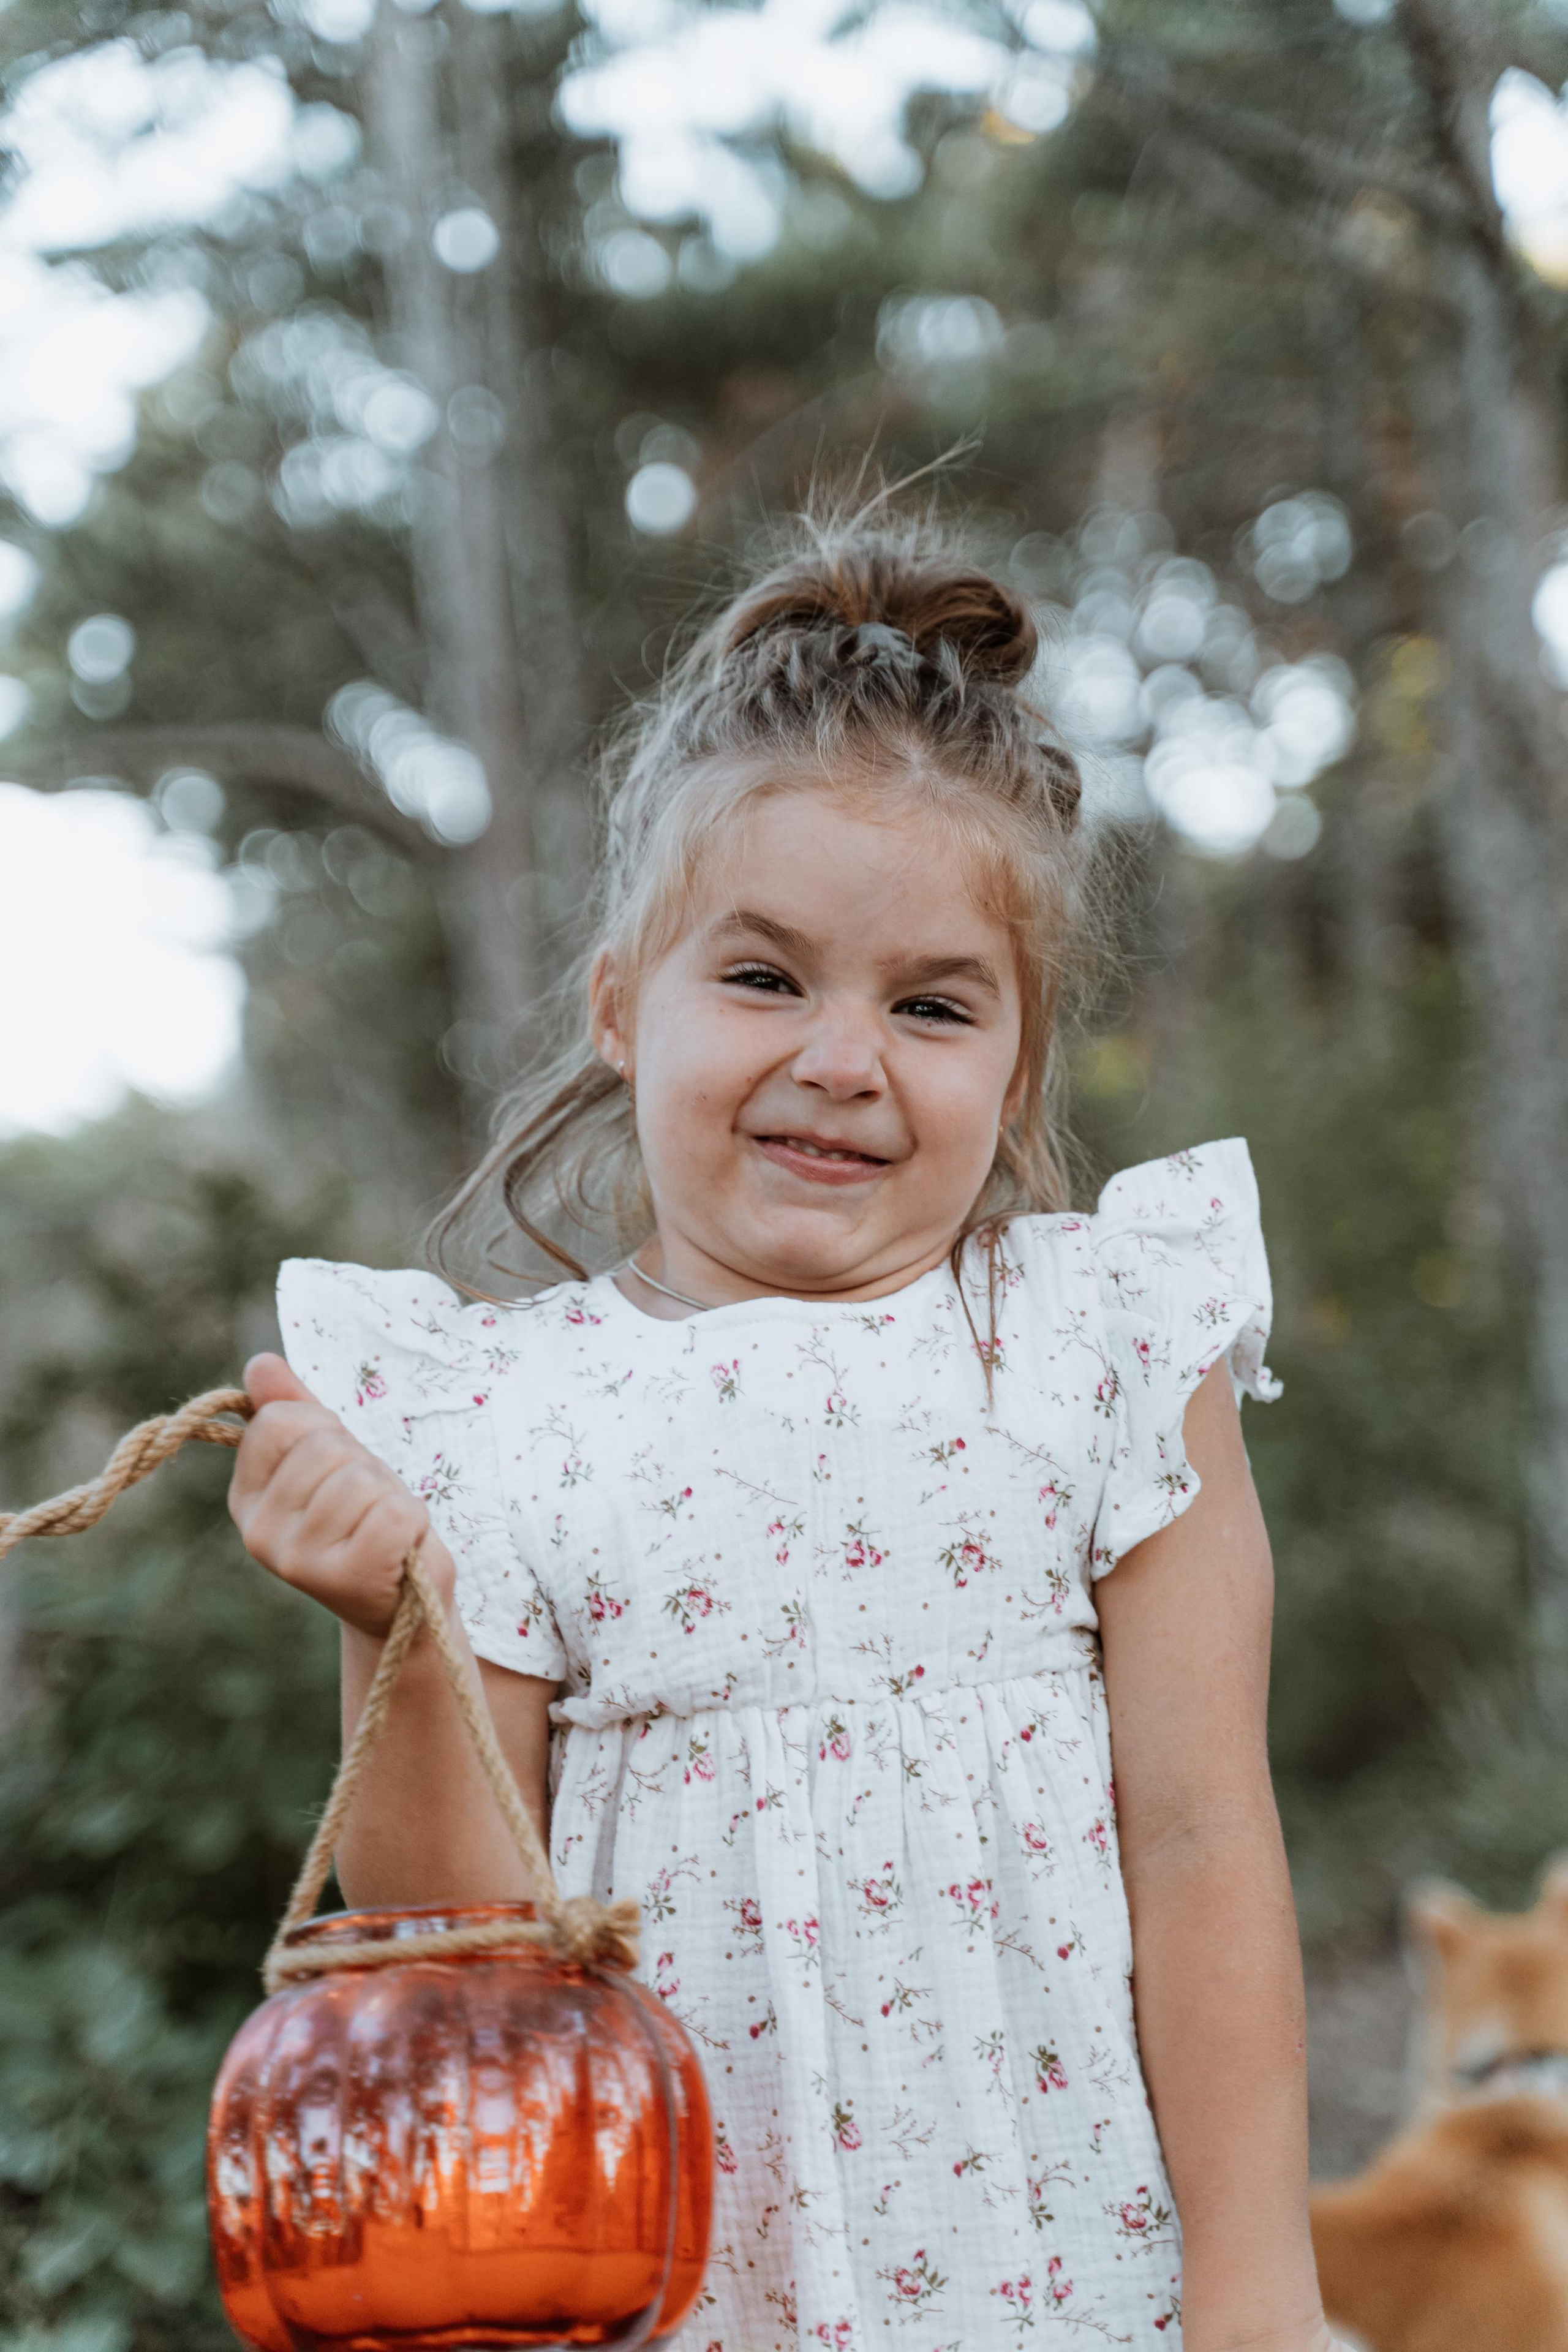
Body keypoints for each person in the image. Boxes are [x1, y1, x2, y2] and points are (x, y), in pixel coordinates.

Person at [230, 503, 1341, 2352]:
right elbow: (474, 1950)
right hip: (690, 2290)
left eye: (930, 1004)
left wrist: (1258, 2289)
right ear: (616, 1007)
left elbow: (1209, 1838)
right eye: (762, 978)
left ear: (1015, 1066)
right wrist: (391, 1616)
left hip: (1073, 2279)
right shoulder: (496, 1415)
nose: (843, 1055)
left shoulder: (1097, 1350)